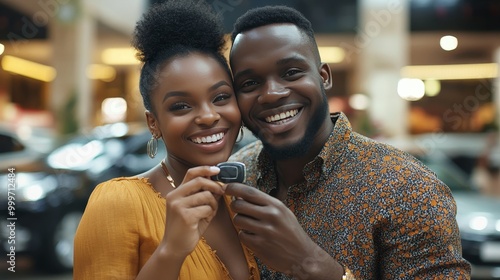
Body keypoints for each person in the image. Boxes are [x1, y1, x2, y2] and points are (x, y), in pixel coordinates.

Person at [224, 5, 471, 280]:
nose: (271, 94)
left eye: (291, 72)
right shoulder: (234, 179)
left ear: (323, 77)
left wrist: (310, 263)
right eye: (249, 83)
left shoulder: (407, 188)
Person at [73, 1, 259, 279]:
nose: (208, 116)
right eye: (181, 106)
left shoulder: (244, 199)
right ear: (154, 123)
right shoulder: (117, 203)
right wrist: (171, 250)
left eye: (220, 97)